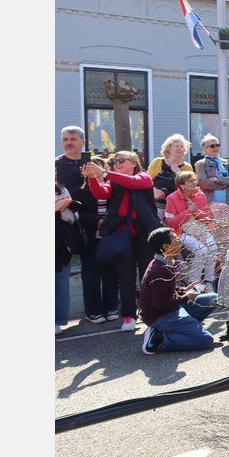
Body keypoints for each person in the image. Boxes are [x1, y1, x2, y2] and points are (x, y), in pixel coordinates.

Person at [83, 151, 163, 332]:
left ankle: (150, 313)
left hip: (145, 235)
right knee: (126, 279)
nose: (116, 163)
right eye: (114, 161)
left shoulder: (144, 177)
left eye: (121, 160)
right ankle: (128, 316)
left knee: (148, 277)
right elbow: (100, 193)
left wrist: (104, 173)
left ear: (134, 163)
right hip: (122, 236)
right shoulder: (113, 181)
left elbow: (135, 183)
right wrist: (93, 178)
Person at [56, 126, 118, 325]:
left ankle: (111, 306)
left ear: (83, 141)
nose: (68, 142)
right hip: (74, 224)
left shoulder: (93, 163)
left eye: (73, 138)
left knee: (110, 268)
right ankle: (91, 310)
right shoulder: (56, 165)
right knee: (89, 268)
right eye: (65, 139)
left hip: (106, 226)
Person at [139, 227, 220, 355]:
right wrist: (187, 297)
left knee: (213, 298)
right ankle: (160, 338)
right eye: (175, 239)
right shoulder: (158, 270)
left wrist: (184, 290)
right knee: (206, 340)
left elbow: (167, 291)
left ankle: (183, 330)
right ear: (166, 246)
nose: (179, 240)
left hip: (171, 309)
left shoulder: (166, 260)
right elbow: (160, 304)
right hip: (160, 316)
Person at [164, 171, 218, 291]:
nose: (194, 182)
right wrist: (189, 210)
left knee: (213, 248)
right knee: (201, 250)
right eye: (190, 181)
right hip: (180, 231)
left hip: (199, 229)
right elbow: (171, 223)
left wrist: (196, 212)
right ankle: (195, 283)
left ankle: (209, 281)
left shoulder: (200, 195)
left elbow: (209, 216)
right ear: (182, 185)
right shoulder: (171, 197)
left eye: (194, 180)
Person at [55, 174, 83, 335]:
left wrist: (67, 207)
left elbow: (74, 218)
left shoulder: (62, 191)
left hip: (61, 242)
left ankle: (57, 321)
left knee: (60, 283)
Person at [195, 133, 229, 224]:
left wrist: (217, 179)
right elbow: (204, 184)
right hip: (211, 203)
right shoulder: (200, 164)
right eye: (212, 146)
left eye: (217, 145)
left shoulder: (227, 162)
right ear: (204, 149)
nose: (216, 147)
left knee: (228, 233)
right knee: (214, 232)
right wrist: (226, 181)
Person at [148, 134, 193, 219]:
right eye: (177, 146)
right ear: (168, 148)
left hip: (176, 207)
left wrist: (178, 172)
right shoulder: (157, 162)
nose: (180, 148)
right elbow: (147, 181)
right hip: (155, 205)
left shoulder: (187, 167)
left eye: (182, 146)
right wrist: (153, 190)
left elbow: (189, 187)